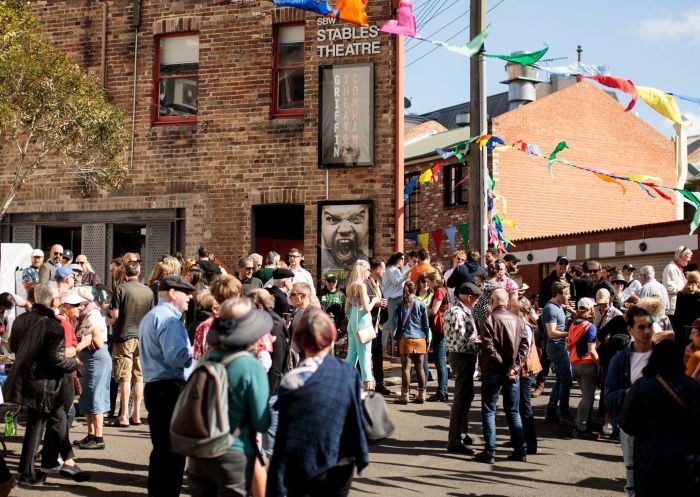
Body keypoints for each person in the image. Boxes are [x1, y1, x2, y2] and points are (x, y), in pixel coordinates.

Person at [267, 309, 368, 497]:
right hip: (341, 459)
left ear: (299, 341)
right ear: (331, 338)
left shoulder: (292, 380)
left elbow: (286, 431)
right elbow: (358, 413)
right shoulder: (349, 373)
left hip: (304, 460)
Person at [187, 297, 272, 497]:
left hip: (199, 454)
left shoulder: (205, 360)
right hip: (234, 454)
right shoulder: (250, 366)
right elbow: (262, 422)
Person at [4, 282, 81, 487]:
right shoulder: (53, 325)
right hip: (43, 382)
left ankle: (58, 461)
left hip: (26, 379)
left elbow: (12, 346)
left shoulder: (21, 320)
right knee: (37, 425)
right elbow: (57, 359)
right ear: (54, 300)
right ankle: (29, 472)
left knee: (47, 421)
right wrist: (75, 362)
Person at [620, 340, 700, 497]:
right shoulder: (692, 386)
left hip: (650, 457)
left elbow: (627, 423)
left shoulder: (641, 385)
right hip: (685, 459)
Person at [139, 275, 195, 497]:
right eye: (186, 292)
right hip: (169, 388)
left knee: (162, 449)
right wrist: (198, 353)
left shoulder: (153, 316)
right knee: (172, 451)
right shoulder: (169, 319)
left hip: (158, 387)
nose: (190, 297)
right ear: (172, 293)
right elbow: (175, 357)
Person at [41, 290, 92, 481]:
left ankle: (51, 459)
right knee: (62, 416)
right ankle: (61, 460)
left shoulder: (63, 322)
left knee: (62, 416)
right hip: (63, 376)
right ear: (66, 307)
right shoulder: (62, 323)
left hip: (63, 375)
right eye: (76, 306)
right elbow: (63, 353)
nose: (80, 309)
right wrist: (82, 345)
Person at [475, 289, 529, 464]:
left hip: (493, 371)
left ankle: (490, 451)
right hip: (511, 372)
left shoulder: (489, 319)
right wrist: (514, 367)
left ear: (492, 301)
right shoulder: (519, 320)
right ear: (506, 302)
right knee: (513, 411)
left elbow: (489, 347)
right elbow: (524, 347)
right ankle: (520, 450)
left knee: (489, 410)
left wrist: (507, 366)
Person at [604, 307, 654, 497]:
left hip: (658, 425)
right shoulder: (620, 360)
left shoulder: (661, 356)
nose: (647, 331)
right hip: (631, 423)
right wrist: (628, 392)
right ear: (630, 330)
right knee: (633, 481)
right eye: (642, 327)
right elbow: (608, 396)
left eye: (650, 326)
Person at [107, 261, 154, 428]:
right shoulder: (148, 291)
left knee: (125, 378)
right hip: (142, 337)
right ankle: (136, 415)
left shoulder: (121, 288)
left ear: (125, 274)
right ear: (139, 273)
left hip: (124, 336)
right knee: (139, 377)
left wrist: (106, 317)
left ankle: (124, 415)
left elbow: (115, 315)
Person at [443, 282, 482, 455]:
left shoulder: (462, 311)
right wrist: (477, 343)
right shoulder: (457, 313)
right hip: (462, 356)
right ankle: (454, 441)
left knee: (467, 396)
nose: (477, 301)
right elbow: (460, 342)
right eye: (475, 298)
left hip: (464, 356)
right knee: (460, 399)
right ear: (467, 296)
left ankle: (461, 432)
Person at [74, 287, 111, 450]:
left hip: (96, 358)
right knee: (88, 396)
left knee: (95, 395)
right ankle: (91, 435)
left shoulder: (92, 315)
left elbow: (97, 342)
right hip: (89, 359)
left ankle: (99, 437)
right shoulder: (85, 315)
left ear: (84, 301)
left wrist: (79, 342)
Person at [507, 297, 542, 455]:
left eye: (513, 306)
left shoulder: (525, 327)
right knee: (518, 405)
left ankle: (530, 443)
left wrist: (515, 367)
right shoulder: (521, 324)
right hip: (522, 368)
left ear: (521, 310)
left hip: (525, 370)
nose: (510, 308)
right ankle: (517, 438)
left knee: (524, 407)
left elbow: (524, 351)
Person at [543, 281, 576, 426]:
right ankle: (564, 414)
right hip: (556, 347)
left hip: (560, 346)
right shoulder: (550, 308)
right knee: (566, 379)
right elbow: (551, 333)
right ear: (559, 294)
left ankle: (551, 412)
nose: (569, 296)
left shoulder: (558, 307)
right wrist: (571, 334)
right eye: (567, 293)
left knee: (561, 380)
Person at [567, 297, 600, 439]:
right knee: (587, 397)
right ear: (591, 309)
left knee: (585, 396)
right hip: (587, 365)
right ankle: (580, 427)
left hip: (575, 364)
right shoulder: (590, 326)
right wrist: (599, 364)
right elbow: (591, 350)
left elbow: (567, 346)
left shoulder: (573, 324)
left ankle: (583, 423)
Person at [344, 260, 379, 392]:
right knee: (365, 354)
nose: (369, 273)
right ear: (363, 270)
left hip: (353, 319)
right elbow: (366, 308)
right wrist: (375, 300)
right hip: (362, 320)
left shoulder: (350, 285)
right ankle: (368, 387)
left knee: (352, 355)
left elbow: (346, 310)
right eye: (368, 270)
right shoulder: (361, 286)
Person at [394, 280, 430, 404]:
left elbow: (396, 324)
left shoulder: (399, 305)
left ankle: (405, 395)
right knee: (420, 367)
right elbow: (426, 325)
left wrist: (396, 339)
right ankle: (421, 394)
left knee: (405, 368)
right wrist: (428, 340)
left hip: (405, 338)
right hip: (420, 338)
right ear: (415, 291)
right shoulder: (421, 304)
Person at [192, 275, 242, 361]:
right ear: (237, 296)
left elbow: (197, 359)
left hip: (211, 371)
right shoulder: (245, 322)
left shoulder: (204, 326)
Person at [319, 203, 370, 272]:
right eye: (331, 219)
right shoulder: (320, 264)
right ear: (321, 225)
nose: (344, 229)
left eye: (357, 218)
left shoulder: (368, 263)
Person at [366, 260, 390, 395]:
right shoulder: (365, 284)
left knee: (377, 355)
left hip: (377, 325)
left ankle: (380, 383)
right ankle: (363, 383)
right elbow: (361, 302)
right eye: (383, 269)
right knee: (364, 356)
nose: (384, 272)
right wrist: (376, 304)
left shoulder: (378, 284)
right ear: (377, 270)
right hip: (367, 325)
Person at [382, 252, 411, 355]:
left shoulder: (396, 270)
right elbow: (396, 281)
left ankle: (393, 351)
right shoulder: (391, 269)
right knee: (390, 324)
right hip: (392, 299)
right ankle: (385, 351)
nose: (403, 261)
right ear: (396, 259)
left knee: (394, 324)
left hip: (397, 298)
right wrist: (407, 273)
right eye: (402, 259)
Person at [426, 271, 449, 402]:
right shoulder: (443, 289)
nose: (427, 285)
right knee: (442, 361)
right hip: (442, 328)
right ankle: (442, 390)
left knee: (440, 361)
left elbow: (434, 310)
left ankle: (441, 391)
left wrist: (421, 308)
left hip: (439, 329)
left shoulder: (439, 290)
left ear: (434, 281)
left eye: (429, 282)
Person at [662, 245, 693, 315]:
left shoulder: (677, 268)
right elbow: (668, 289)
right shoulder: (670, 268)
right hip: (673, 311)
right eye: (688, 257)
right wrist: (684, 288)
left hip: (679, 308)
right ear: (680, 256)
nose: (690, 260)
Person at [672, 271, 700, 343]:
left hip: (682, 330)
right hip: (697, 330)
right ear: (698, 281)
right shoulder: (698, 294)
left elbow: (677, 313)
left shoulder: (680, 294)